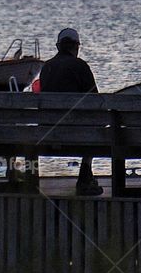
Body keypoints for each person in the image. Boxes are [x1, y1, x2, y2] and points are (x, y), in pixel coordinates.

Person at [38, 28, 103, 196]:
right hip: (75, 132)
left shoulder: (46, 67)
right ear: (76, 46)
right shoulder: (80, 66)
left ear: (58, 46)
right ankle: (84, 178)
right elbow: (94, 100)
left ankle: (33, 180)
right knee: (99, 128)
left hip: (47, 131)